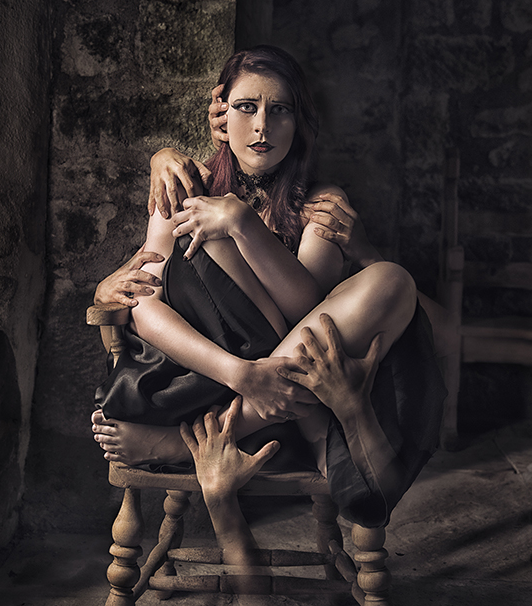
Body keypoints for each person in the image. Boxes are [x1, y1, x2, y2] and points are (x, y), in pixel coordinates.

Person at [92, 45, 446, 529]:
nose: (262, 126)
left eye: (280, 110)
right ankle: (217, 428)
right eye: (247, 107)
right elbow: (143, 303)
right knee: (207, 231)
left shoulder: (321, 202)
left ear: (299, 123)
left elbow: (306, 312)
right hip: (206, 383)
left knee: (392, 281)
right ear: (221, 116)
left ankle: (192, 442)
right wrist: (241, 374)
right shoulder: (185, 184)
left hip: (286, 404)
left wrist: (243, 224)